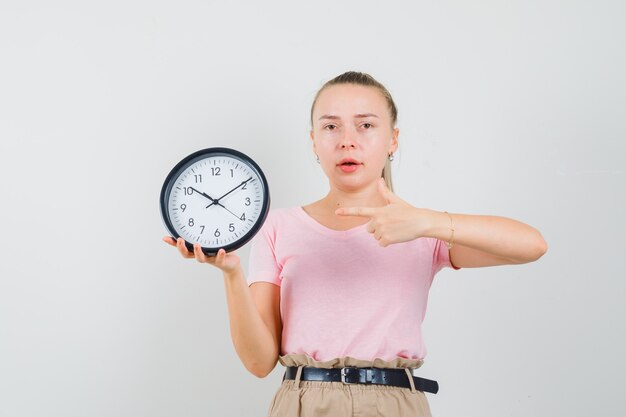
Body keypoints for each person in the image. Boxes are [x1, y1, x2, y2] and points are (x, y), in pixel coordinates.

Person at [162, 71, 548, 417]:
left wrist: (427, 222)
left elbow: (531, 245)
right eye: (330, 127)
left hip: (395, 404)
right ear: (314, 141)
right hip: (302, 402)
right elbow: (259, 362)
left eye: (365, 125)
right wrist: (231, 274)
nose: (347, 141)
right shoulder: (277, 225)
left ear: (392, 139)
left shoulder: (421, 231)